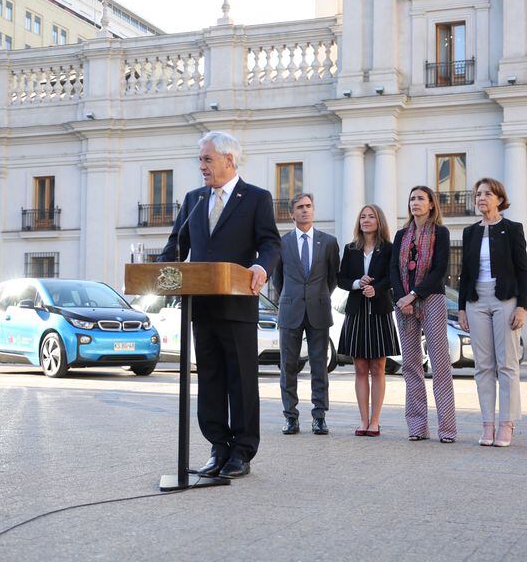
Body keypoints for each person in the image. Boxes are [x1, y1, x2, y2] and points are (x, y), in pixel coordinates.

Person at [158, 131, 280, 479]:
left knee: (241, 380)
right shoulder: (194, 198)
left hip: (238, 305)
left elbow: (270, 243)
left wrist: (261, 266)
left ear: (229, 160)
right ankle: (218, 446)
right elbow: (175, 245)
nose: (202, 167)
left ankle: (242, 450)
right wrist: (157, 273)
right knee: (210, 378)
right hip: (202, 306)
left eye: (207, 159)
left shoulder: (256, 198)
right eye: (200, 160)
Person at [458, 177, 527, 448]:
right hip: (477, 299)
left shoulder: (512, 229)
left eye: (487, 194)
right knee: (483, 365)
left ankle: (506, 424)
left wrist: (522, 305)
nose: (481, 198)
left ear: (499, 199)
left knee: (507, 364)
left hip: (506, 300)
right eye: (478, 194)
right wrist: (463, 307)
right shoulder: (470, 232)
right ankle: (487, 425)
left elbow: (523, 270)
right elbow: (465, 274)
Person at [390, 186, 456, 443]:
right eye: (412, 199)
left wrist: (414, 294)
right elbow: (394, 269)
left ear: (431, 204)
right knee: (410, 365)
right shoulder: (401, 235)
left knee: (440, 365)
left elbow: (440, 270)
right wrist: (400, 298)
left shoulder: (441, 232)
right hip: (403, 304)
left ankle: (447, 429)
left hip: (432, 300)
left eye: (420, 198)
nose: (415, 202)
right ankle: (417, 426)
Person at [273, 193, 340, 436]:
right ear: (292, 214)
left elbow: (333, 278)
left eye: (309, 206)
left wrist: (317, 295)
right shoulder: (282, 242)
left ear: (314, 210)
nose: (305, 210)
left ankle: (319, 416)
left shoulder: (329, 242)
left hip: (318, 311)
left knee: (319, 366)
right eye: (300, 207)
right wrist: (292, 297)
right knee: (287, 366)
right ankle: (291, 417)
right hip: (290, 310)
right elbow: (277, 278)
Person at [337, 204, 400, 437]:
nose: (366, 220)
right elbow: (341, 279)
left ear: (379, 221)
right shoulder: (350, 248)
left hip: (379, 311)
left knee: (378, 367)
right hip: (356, 312)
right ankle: (363, 421)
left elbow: (393, 277)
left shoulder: (389, 249)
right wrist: (357, 283)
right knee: (360, 367)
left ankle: (375, 421)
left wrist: (376, 288)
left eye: (371, 216)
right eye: (362, 216)